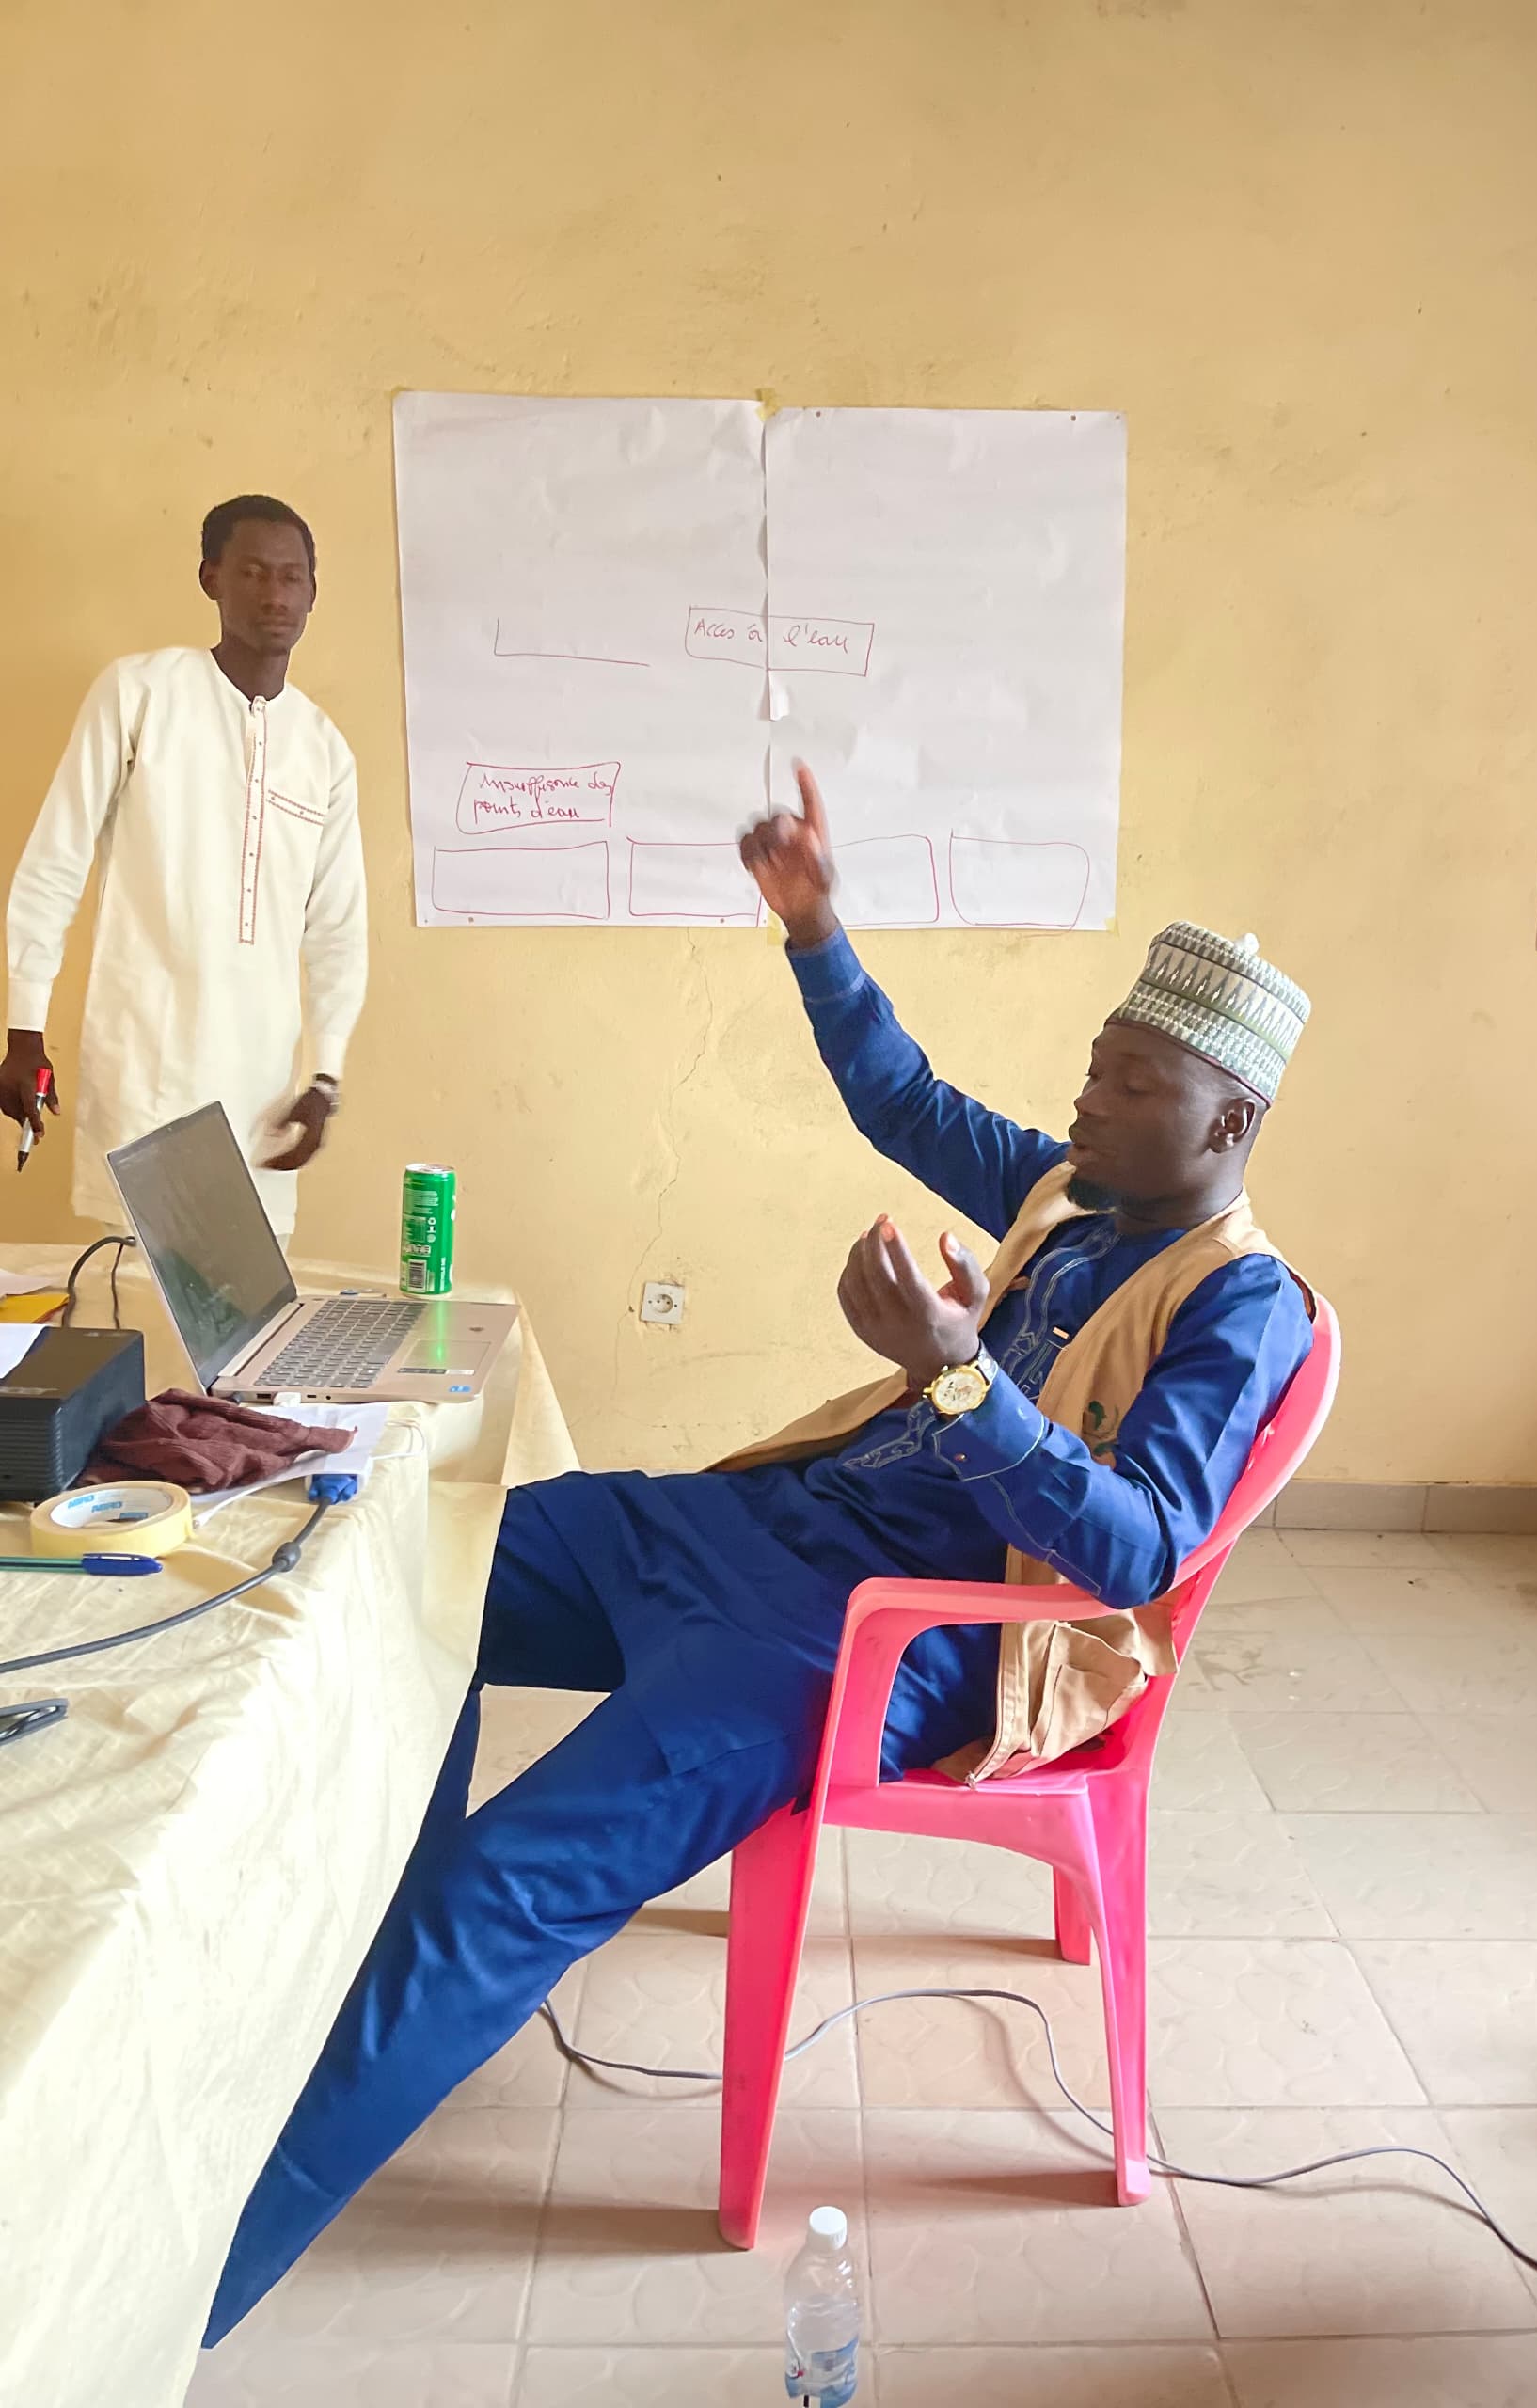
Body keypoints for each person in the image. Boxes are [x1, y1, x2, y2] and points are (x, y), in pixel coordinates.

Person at [202, 764, 1315, 2342]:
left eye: (1130, 1080)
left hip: (875, 1640)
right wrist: (812, 926)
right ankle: (373, 1992)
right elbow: (904, 1100)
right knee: (412, 1562)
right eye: (1094, 1064)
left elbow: (1134, 1551)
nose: (1085, 1101)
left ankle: (167, 2287)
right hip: (767, 1520)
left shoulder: (1239, 1304)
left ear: (1231, 1118)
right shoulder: (1076, 1199)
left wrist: (957, 1372)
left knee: (509, 1886)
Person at [2, 495, 368, 1239]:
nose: (275, 595)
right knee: (140, 1311)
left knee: (247, 1324)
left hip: (262, 1097)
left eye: (292, 577)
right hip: (146, 1073)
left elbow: (339, 928)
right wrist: (23, 1029)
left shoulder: (323, 751)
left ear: (313, 594)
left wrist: (324, 1077)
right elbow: (53, 863)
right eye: (254, 572)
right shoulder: (139, 695)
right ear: (211, 578)